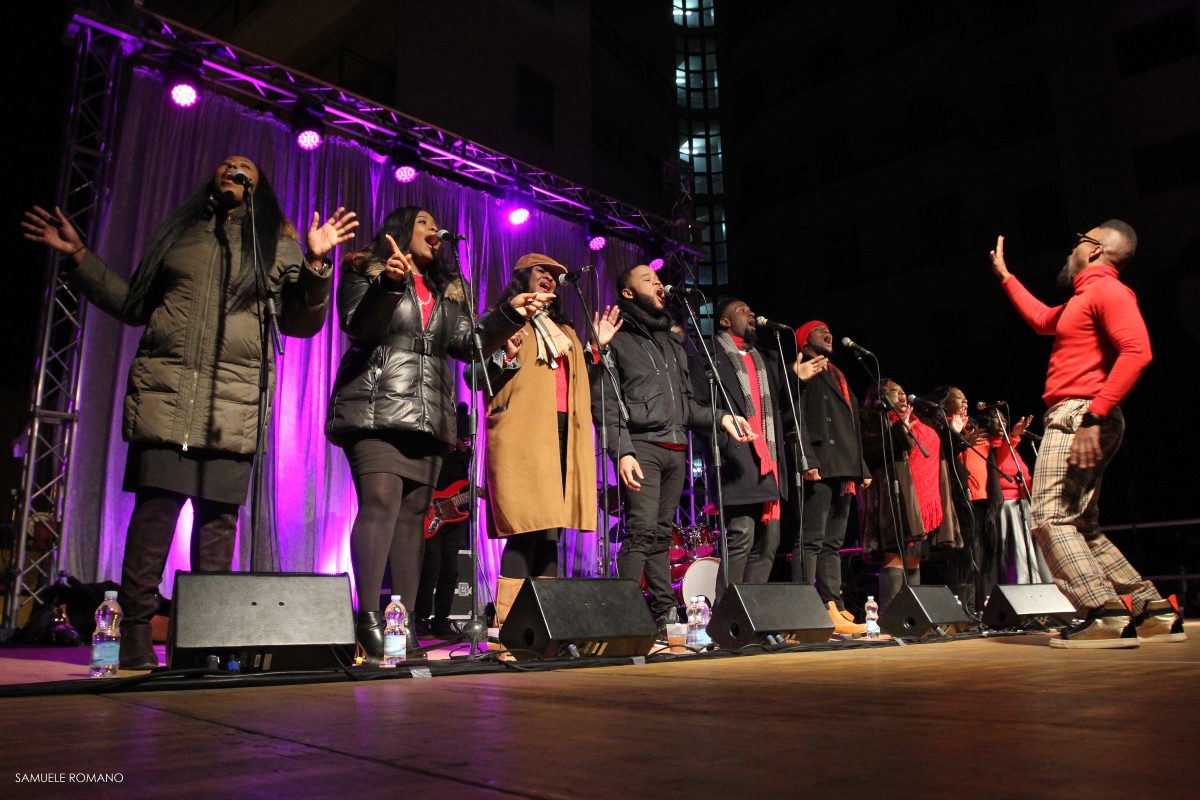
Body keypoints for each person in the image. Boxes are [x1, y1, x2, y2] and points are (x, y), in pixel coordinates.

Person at [21, 156, 355, 670]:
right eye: (227, 164)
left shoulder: (274, 245)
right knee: (154, 520)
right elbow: (133, 304)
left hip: (235, 405)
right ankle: (133, 634)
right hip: (168, 396)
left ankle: (201, 640)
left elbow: (301, 324)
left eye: (245, 166)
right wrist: (81, 258)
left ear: (258, 187)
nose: (234, 168)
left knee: (218, 527)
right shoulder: (181, 235)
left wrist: (314, 265)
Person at [325, 206, 551, 660]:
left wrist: (508, 313)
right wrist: (390, 283)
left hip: (428, 414)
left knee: (413, 517)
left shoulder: (449, 290)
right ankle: (367, 619)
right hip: (375, 405)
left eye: (435, 225)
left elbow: (468, 346)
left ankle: (402, 622)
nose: (434, 230)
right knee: (382, 503)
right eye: (424, 223)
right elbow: (360, 325)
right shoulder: (363, 270)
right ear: (401, 230)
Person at [991, 223, 1183, 647]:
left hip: (1081, 411)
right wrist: (1006, 276)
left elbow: (1138, 351)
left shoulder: (1108, 292)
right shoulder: (1083, 299)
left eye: (1079, 239)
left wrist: (1093, 418)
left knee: (1047, 516)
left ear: (1095, 250)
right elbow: (1043, 321)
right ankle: (1151, 611)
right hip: (1087, 412)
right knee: (1083, 527)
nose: (1071, 246)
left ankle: (1103, 612)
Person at [594, 265, 753, 631]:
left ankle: (665, 609)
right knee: (641, 530)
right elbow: (604, 400)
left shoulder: (672, 341)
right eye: (647, 279)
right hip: (644, 446)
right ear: (629, 293)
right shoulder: (617, 339)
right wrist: (623, 450)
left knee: (662, 532)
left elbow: (686, 406)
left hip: (676, 448)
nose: (658, 283)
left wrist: (721, 418)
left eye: (657, 278)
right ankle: (618, 615)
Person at [475, 254, 620, 627]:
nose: (552, 279)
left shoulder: (566, 331)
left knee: (551, 529)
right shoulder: (503, 317)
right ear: (522, 276)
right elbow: (475, 374)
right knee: (527, 525)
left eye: (556, 276)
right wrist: (504, 355)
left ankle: (543, 623)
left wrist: (594, 351)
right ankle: (507, 623)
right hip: (522, 432)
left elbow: (576, 382)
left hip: (562, 433)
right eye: (543, 272)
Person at [691, 299, 808, 608]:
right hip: (736, 458)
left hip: (769, 459)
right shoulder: (708, 358)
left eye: (751, 310)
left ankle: (754, 613)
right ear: (725, 322)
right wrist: (727, 438)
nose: (751, 313)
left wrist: (796, 378)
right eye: (742, 310)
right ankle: (726, 612)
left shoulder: (769, 360)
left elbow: (784, 408)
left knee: (769, 543)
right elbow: (700, 410)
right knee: (741, 534)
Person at [792, 320, 872, 635]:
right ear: (803, 339)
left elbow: (849, 427)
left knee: (833, 542)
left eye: (829, 330)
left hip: (842, 466)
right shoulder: (799, 372)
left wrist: (861, 467)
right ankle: (805, 605)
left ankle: (832, 603)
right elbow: (794, 420)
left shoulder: (836, 375)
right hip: (820, 463)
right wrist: (806, 458)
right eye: (818, 329)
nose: (828, 333)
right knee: (811, 539)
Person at [860, 380, 963, 611]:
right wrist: (899, 429)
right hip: (895, 500)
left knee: (914, 558)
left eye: (904, 392)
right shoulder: (873, 419)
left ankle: (913, 618)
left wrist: (953, 434)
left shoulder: (922, 422)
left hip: (924, 503)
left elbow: (941, 455)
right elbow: (869, 452)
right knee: (895, 556)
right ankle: (891, 616)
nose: (903, 395)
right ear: (880, 395)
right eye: (896, 391)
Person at [413, 404, 472, 639]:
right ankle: (419, 618)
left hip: (452, 519)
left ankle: (441, 621)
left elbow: (460, 489)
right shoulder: (439, 453)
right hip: (431, 515)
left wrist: (474, 494)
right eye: (462, 439)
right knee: (431, 569)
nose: (466, 443)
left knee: (451, 571)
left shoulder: (465, 458)